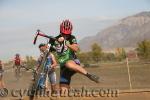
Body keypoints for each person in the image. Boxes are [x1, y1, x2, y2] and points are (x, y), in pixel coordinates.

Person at [50, 20, 100, 94]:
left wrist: (66, 43)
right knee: (63, 91)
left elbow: (76, 48)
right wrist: (49, 44)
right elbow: (48, 49)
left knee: (68, 64)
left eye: (67, 34)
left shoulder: (71, 38)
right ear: (60, 31)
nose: (65, 35)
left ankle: (89, 75)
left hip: (73, 61)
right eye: (64, 34)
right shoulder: (55, 39)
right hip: (63, 67)